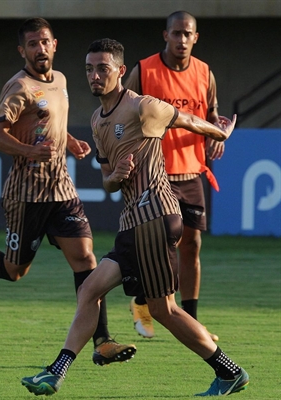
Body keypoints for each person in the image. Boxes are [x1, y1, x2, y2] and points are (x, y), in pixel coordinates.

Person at [21, 38, 248, 397]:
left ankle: (56, 372)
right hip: (134, 222)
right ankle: (56, 372)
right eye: (89, 69)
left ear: (121, 72)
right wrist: (118, 175)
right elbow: (108, 181)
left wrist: (220, 131)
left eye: (103, 68)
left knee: (154, 307)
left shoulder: (143, 107)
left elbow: (188, 120)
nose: (95, 76)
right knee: (118, 297)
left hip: (155, 215)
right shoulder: (97, 120)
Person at [0, 18, 135, 366]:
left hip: (61, 190)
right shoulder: (18, 87)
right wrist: (29, 151)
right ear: (23, 50)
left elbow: (49, 124)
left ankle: (102, 341)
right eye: (32, 44)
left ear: (55, 45)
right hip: (26, 195)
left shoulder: (63, 80)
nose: (40, 49)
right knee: (13, 271)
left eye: (45, 42)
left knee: (85, 259)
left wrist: (68, 141)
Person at [124, 11, 221, 341]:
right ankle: (141, 302)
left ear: (196, 37)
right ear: (165, 35)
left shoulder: (205, 72)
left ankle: (191, 321)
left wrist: (215, 134)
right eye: (176, 33)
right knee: (159, 244)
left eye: (187, 34)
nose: (181, 39)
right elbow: (123, 111)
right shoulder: (144, 69)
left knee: (191, 245)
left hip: (191, 170)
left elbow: (211, 114)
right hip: (154, 173)